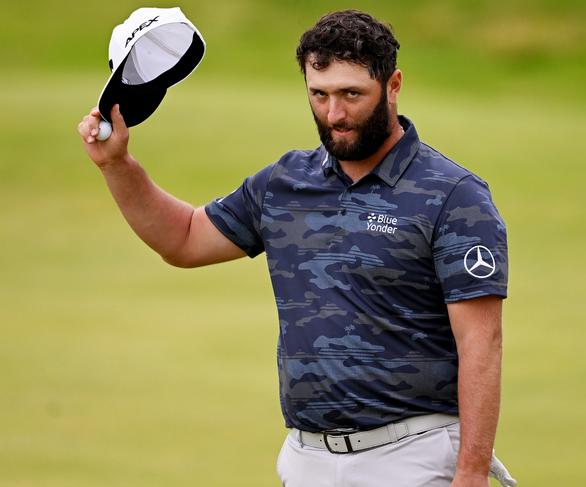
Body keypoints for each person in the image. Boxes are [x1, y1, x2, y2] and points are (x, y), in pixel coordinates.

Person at [78, 9, 514, 487]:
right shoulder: (284, 183)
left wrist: (471, 472)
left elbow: (481, 341)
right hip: (305, 459)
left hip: (413, 457)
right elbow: (182, 238)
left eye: (352, 94)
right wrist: (117, 165)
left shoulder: (454, 195)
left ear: (393, 86)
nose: (335, 114)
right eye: (319, 95)